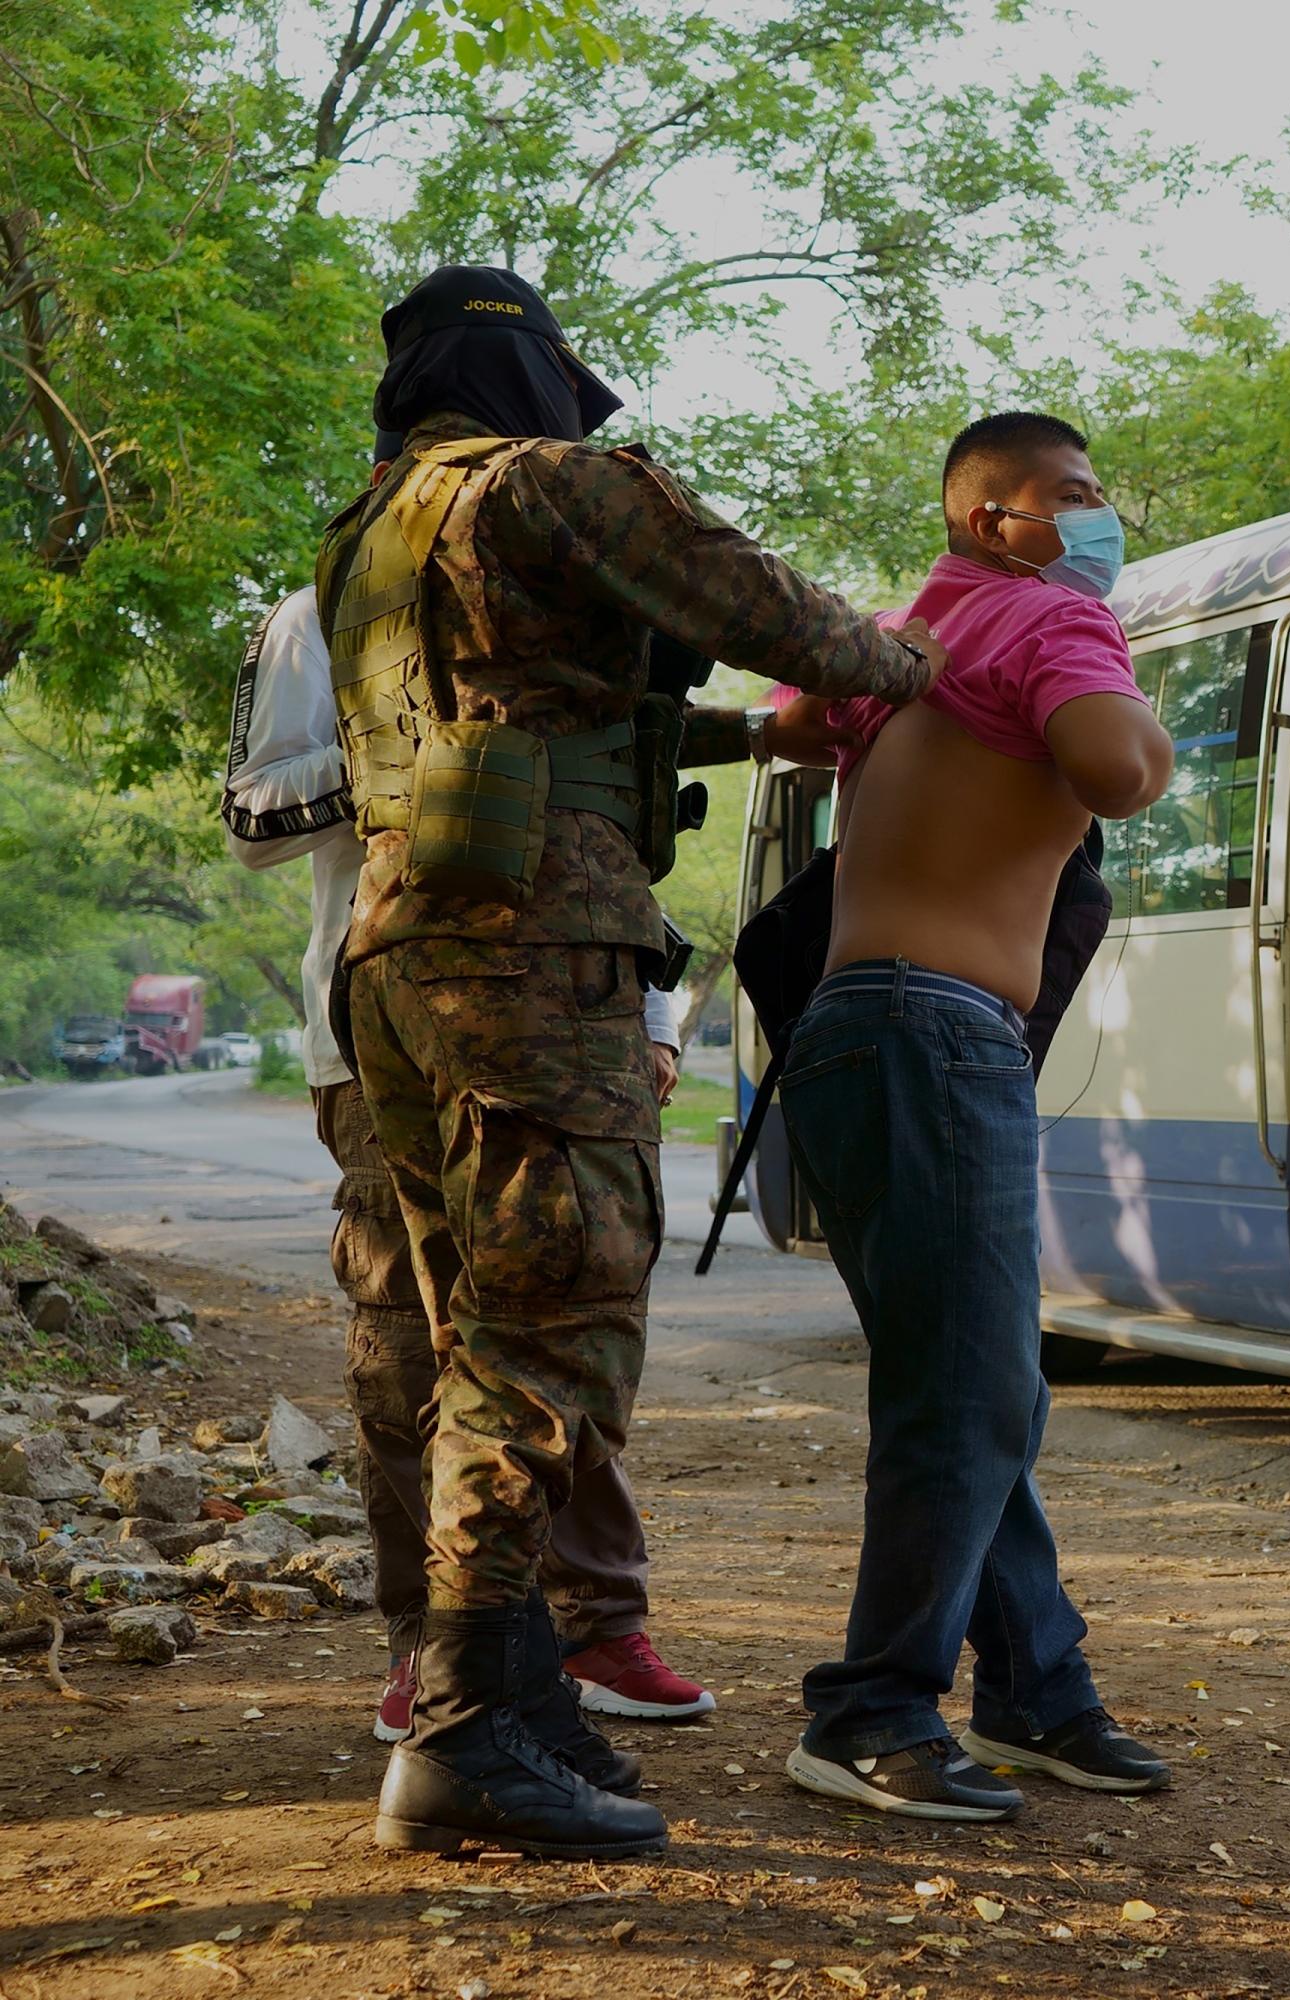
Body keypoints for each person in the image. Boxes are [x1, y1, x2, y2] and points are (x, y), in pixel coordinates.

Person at [324, 265, 945, 1860]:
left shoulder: (372, 525)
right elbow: (762, 609)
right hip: (531, 948)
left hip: (400, 948)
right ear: (532, 377)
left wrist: (749, 742)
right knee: (553, 1314)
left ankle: (510, 1696)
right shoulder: (549, 482)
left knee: (464, 1314)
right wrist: (926, 668)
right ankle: (467, 1733)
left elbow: (517, 713)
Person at [222, 570, 720, 1759]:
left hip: (573, 1017)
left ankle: (597, 1620)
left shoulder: (572, 607)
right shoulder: (324, 612)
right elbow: (250, 816)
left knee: (567, 1311)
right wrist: (422, 749)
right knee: (407, 1338)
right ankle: (430, 1639)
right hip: (379, 1023)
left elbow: (612, 826)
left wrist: (651, 1021)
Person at [765, 411, 1174, 1822]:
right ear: (995, 515)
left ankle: (1036, 1695)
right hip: (937, 1038)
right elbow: (1116, 768)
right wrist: (1141, 713)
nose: (1099, 514)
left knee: (972, 1386)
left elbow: (786, 724)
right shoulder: (1049, 619)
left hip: (852, 1032)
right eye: (1074, 493)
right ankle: (871, 1710)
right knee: (974, 1393)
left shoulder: (907, 635)